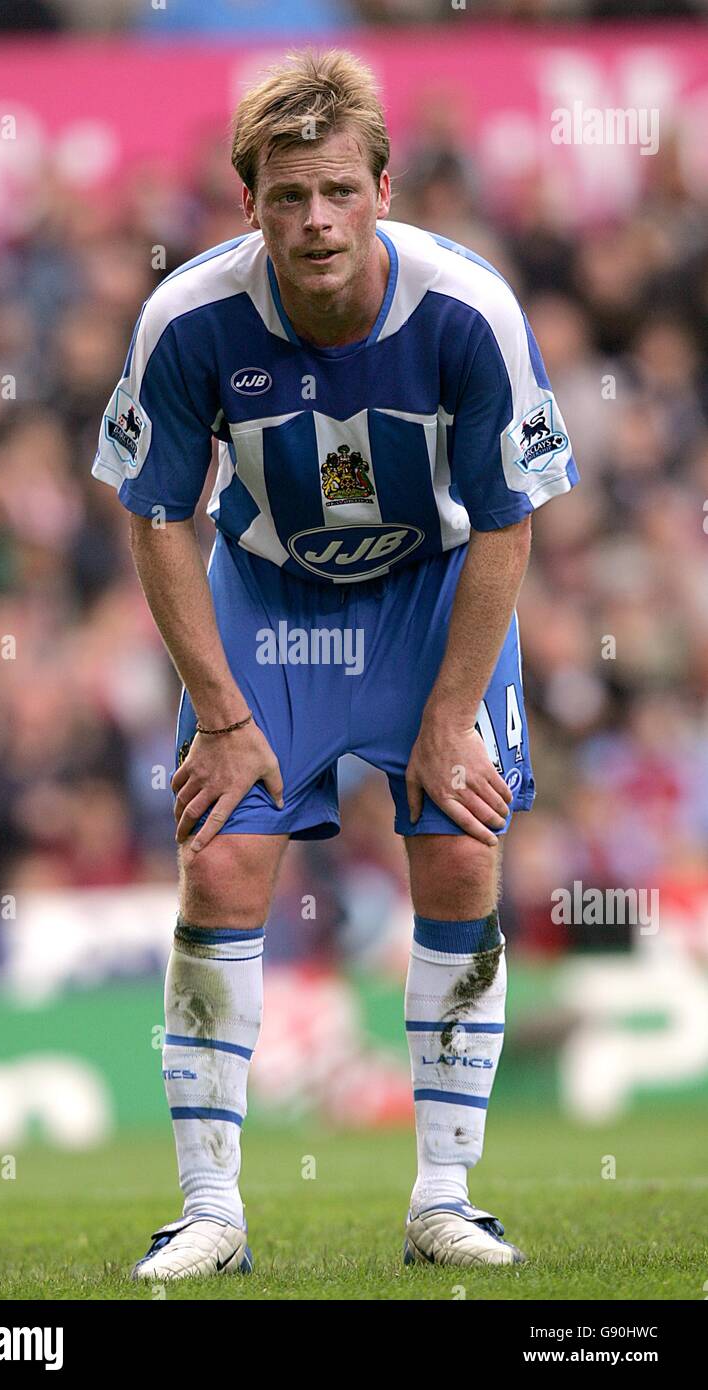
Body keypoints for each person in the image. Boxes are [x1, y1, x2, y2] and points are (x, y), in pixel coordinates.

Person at [91, 47, 578, 1279]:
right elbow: (155, 514)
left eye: (338, 192)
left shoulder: (471, 311)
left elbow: (509, 521)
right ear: (247, 199)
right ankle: (209, 1211)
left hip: (434, 593)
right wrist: (219, 713)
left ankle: (444, 1200)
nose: (314, 220)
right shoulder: (187, 320)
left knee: (460, 843)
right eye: (286, 195)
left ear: (382, 187)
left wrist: (452, 712)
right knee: (224, 856)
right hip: (268, 595)